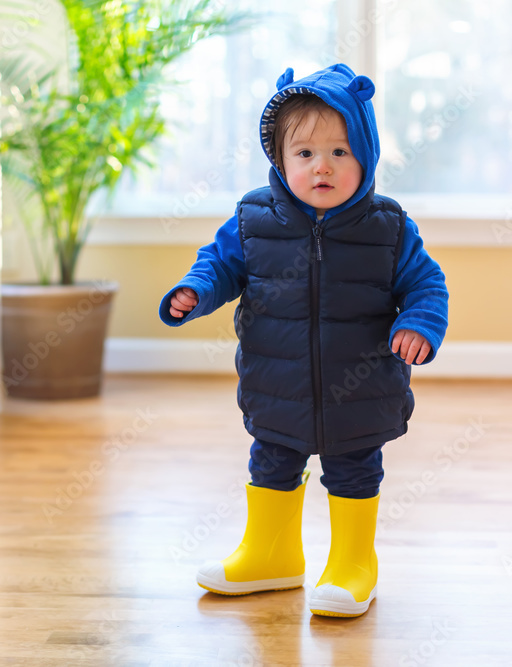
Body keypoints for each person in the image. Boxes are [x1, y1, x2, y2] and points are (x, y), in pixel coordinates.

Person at [158, 63, 449, 617]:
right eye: (306, 153)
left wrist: (419, 323)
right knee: (270, 459)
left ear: (365, 155)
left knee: (355, 466)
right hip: (276, 382)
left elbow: (426, 284)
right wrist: (196, 289)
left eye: (340, 152)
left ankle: (353, 562)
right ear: (280, 159)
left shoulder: (387, 227)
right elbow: (218, 264)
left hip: (359, 387)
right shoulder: (253, 218)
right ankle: (272, 554)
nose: (323, 166)